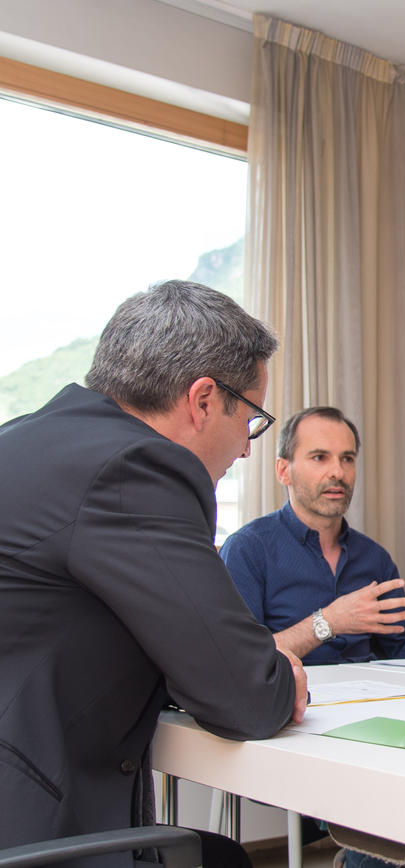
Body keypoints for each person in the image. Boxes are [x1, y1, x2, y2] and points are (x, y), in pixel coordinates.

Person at [0, 280, 306, 866]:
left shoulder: (26, 439)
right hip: (30, 831)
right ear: (203, 400)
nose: (246, 449)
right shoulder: (136, 469)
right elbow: (246, 697)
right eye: (252, 418)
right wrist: (278, 676)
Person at [221, 407, 405, 665]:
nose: (338, 472)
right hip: (294, 691)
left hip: (371, 689)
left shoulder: (374, 558)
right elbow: (240, 658)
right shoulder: (247, 550)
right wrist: (328, 621)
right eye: (319, 457)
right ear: (283, 471)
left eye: (347, 458)